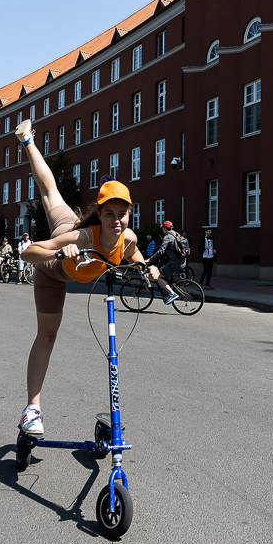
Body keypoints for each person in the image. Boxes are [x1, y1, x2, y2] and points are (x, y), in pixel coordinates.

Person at [14, 119, 157, 437]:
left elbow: (133, 254)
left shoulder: (128, 237)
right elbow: (29, 253)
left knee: (53, 194)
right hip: (57, 266)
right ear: (101, 214)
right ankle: (32, 409)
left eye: (122, 214)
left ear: (130, 213)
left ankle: (27, 141)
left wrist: (146, 267)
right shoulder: (82, 239)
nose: (117, 221)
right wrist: (57, 254)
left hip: (74, 228)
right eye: (109, 214)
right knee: (47, 336)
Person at [146, 220, 185, 305]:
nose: (162, 230)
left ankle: (172, 293)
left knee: (158, 276)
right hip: (182, 261)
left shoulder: (167, 236)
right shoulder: (176, 234)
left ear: (164, 228)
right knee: (163, 271)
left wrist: (150, 259)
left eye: (162, 228)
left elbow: (161, 251)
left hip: (174, 263)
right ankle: (166, 292)